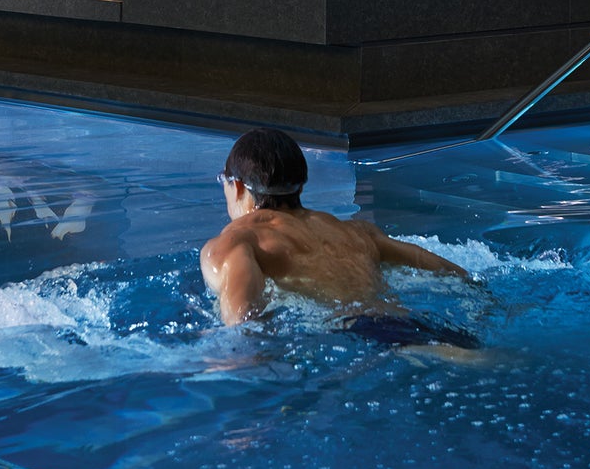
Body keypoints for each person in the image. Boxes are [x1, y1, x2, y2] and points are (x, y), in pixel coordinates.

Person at [200, 127, 483, 349]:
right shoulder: (356, 231)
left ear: (236, 185)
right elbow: (456, 273)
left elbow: (243, 330)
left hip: (362, 335)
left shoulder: (236, 242)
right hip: (417, 322)